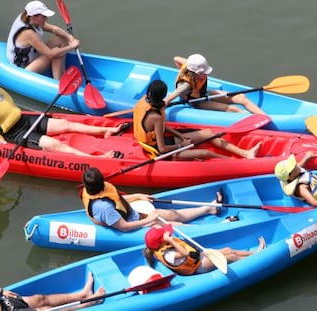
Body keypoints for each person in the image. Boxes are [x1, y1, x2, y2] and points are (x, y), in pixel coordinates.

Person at [0, 67, 126, 158]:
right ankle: (94, 159)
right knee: (55, 145)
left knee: (65, 124)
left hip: (24, 121)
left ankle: (105, 130)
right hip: (14, 134)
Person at [133, 79, 261, 160]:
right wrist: (181, 145)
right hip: (158, 151)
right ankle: (237, 163)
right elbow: (162, 149)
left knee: (208, 133)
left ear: (149, 93)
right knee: (205, 153)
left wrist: (180, 136)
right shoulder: (156, 117)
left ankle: (245, 153)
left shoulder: (144, 101)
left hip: (160, 140)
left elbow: (161, 128)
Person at [81, 167, 223, 231]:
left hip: (133, 214)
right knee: (175, 226)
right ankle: (216, 228)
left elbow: (117, 199)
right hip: (131, 225)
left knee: (172, 214)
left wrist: (137, 195)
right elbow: (123, 227)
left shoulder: (96, 190)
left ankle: (209, 209)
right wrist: (149, 220)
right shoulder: (103, 207)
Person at [143, 224, 266, 275]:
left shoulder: (158, 247)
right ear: (162, 241)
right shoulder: (168, 254)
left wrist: (169, 240)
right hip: (199, 266)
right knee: (231, 257)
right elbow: (185, 253)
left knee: (229, 250)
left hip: (199, 257)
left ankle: (254, 253)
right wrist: (170, 240)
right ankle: (257, 257)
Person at [164, 54, 266, 115]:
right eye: (202, 73)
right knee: (233, 109)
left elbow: (176, 58)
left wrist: (180, 70)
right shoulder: (186, 86)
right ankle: (254, 120)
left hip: (204, 94)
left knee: (241, 97)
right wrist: (161, 105)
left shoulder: (188, 64)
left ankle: (266, 117)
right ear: (194, 72)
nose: (205, 74)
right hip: (197, 102)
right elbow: (169, 98)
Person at [0, 272, 104, 311]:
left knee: (39, 298)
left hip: (1, 301)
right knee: (45, 310)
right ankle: (87, 303)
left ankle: (82, 294)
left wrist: (0, 291)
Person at [6, 1, 80, 79]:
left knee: (62, 38)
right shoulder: (28, 33)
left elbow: (53, 29)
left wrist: (69, 37)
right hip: (24, 69)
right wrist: (71, 46)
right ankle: (57, 82)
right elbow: (51, 54)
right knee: (56, 52)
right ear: (33, 16)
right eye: (43, 17)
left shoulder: (28, 18)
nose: (46, 19)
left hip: (32, 56)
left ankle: (61, 74)